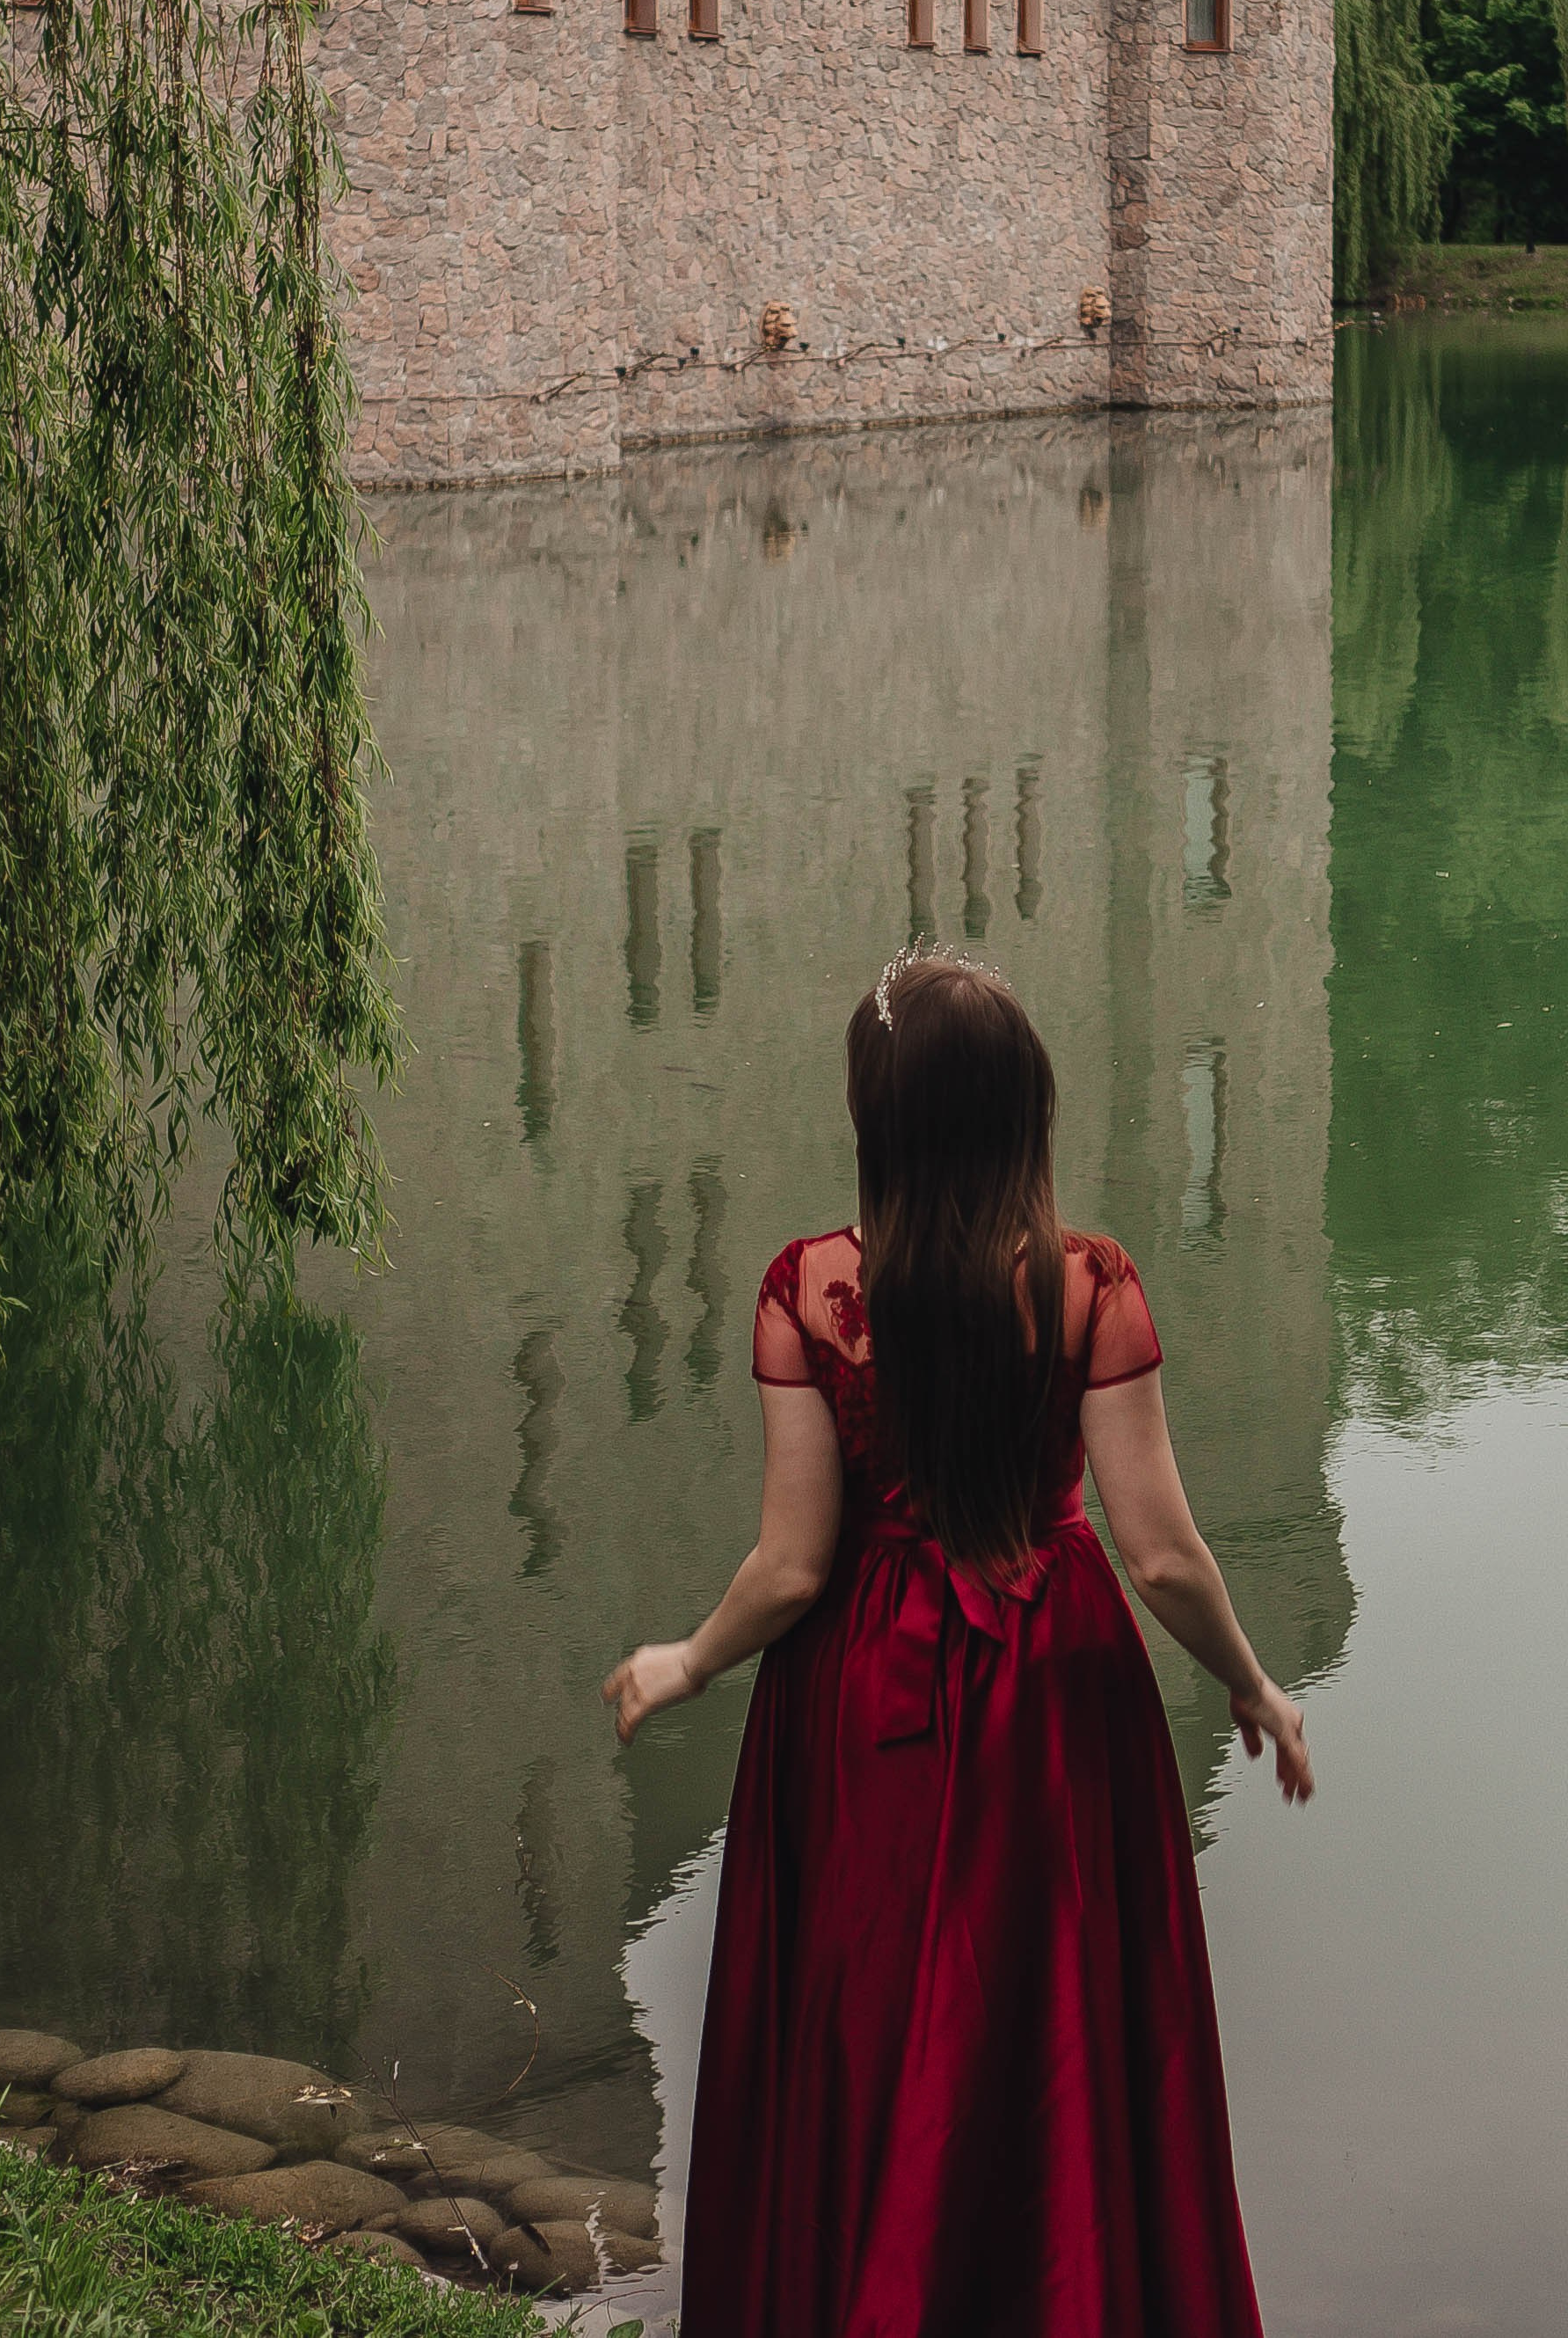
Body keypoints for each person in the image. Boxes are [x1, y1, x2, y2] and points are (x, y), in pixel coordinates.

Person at [604, 949, 1314, 2338]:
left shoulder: (805, 1292)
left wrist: (690, 1661)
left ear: (881, 1123)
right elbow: (1160, 1554)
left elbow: (795, 1561)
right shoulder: (1088, 1285)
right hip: (1055, 1696)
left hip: (863, 1702)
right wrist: (1252, 1685)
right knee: (1047, 2035)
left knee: (867, 2022)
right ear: (1021, 1115)